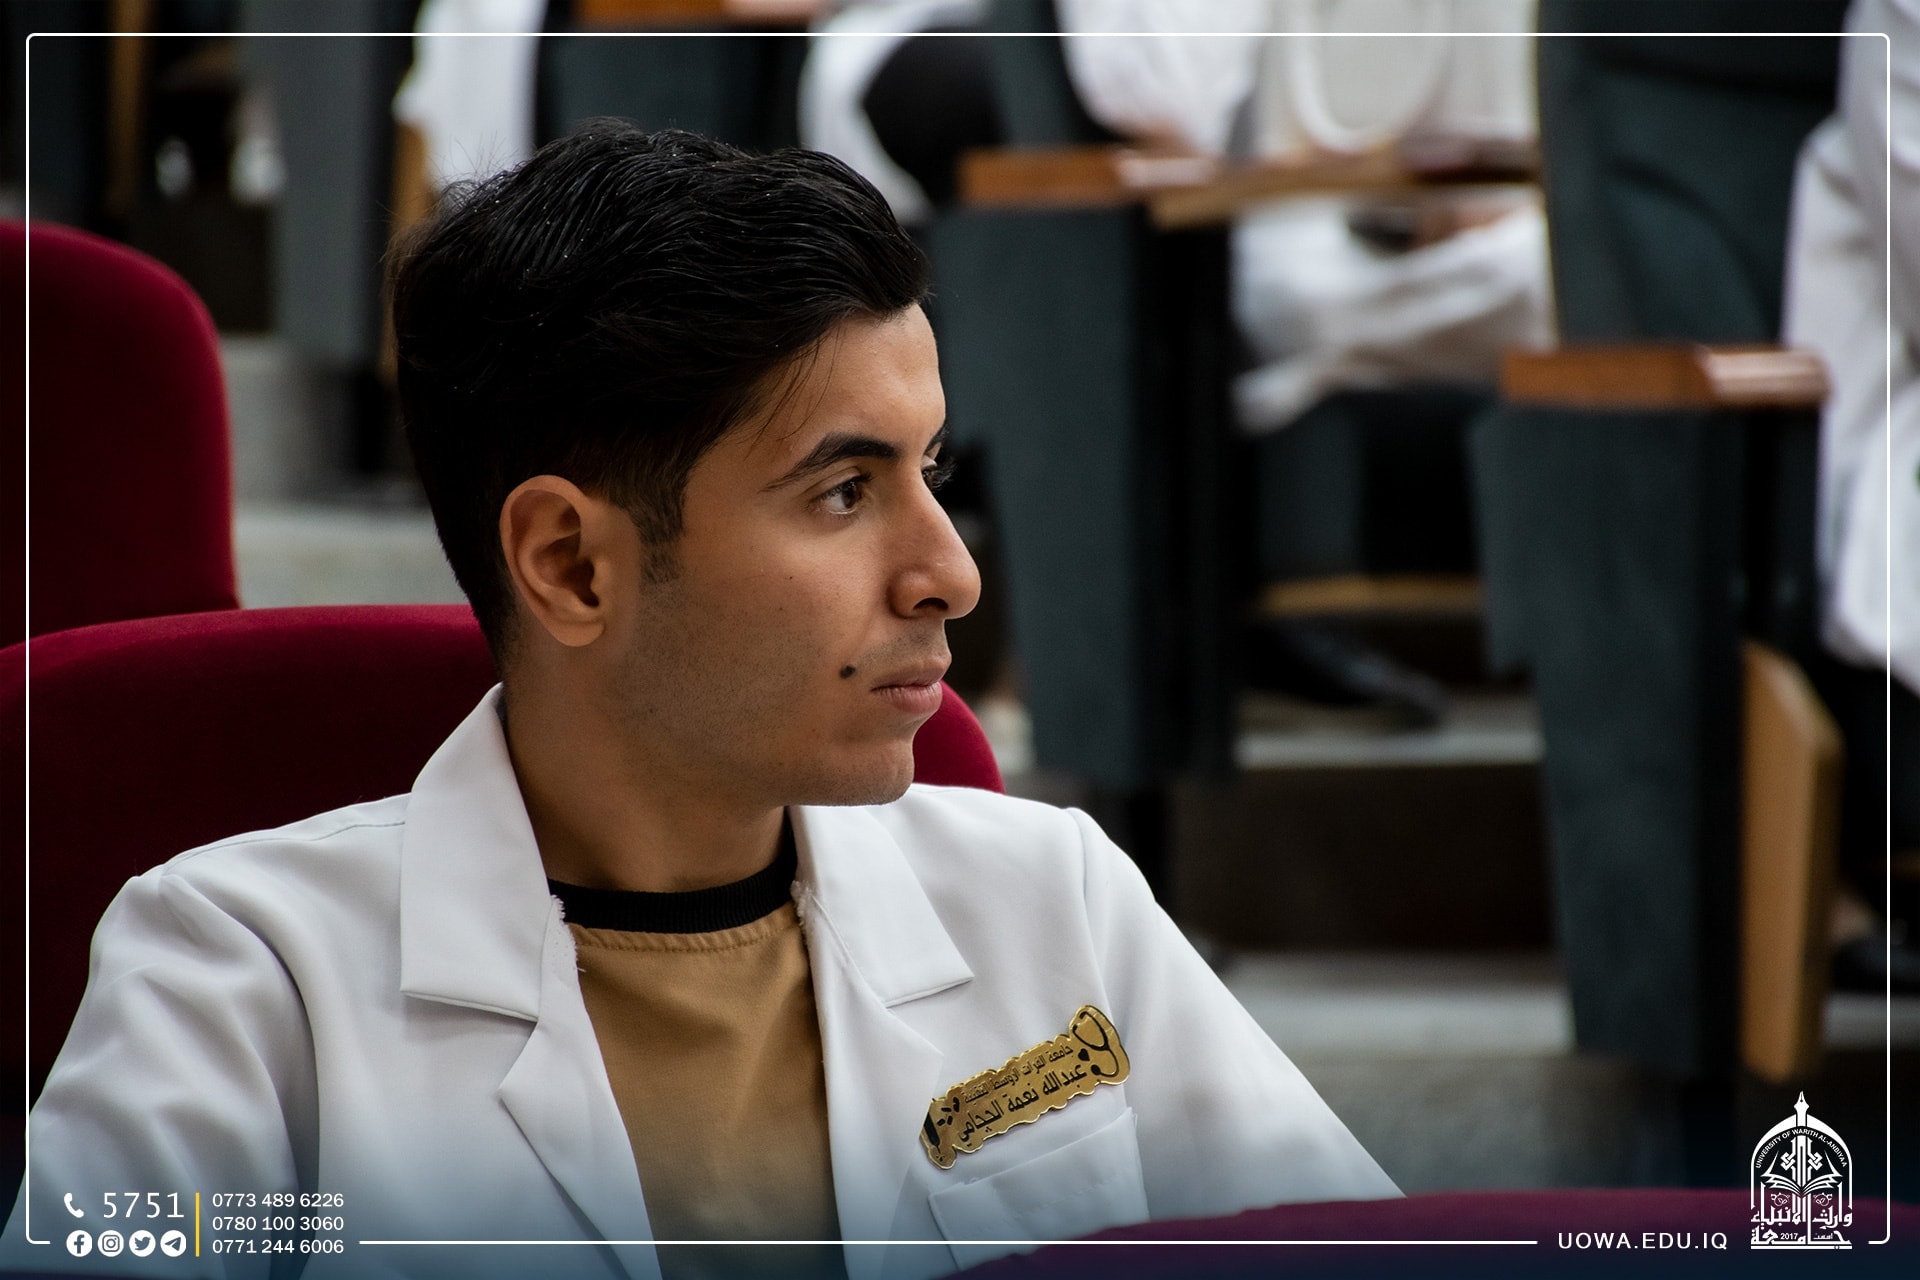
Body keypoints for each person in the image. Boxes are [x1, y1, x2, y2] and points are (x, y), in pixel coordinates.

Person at [2, 123, 1395, 1279]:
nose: (952, 575)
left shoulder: (1051, 898)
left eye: (932, 473)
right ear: (572, 563)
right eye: (843, 492)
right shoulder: (245, 980)